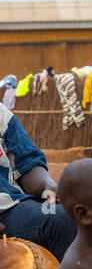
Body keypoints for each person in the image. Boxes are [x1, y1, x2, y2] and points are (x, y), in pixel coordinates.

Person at [0, 100, 77, 259]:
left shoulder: (1, 114)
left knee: (66, 218)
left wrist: (49, 187)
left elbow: (27, 162)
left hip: (10, 207)